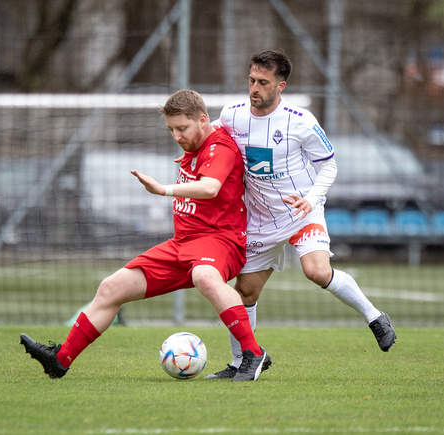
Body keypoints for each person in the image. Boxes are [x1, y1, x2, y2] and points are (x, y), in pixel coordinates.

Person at [20, 89, 271, 382]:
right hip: (181, 244)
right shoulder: (199, 142)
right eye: (171, 130)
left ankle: (253, 353)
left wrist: (163, 189)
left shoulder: (220, 147)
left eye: (182, 128)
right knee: (112, 287)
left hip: (219, 240)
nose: (176, 136)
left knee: (205, 276)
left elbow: (210, 188)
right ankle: (59, 360)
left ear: (203, 121)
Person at [205, 50, 396, 379]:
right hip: (260, 219)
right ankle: (243, 361)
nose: (254, 88)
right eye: (251, 80)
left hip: (301, 212)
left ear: (280, 86)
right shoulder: (232, 115)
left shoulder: (301, 121)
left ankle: (374, 316)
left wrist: (311, 198)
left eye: (263, 82)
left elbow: (329, 165)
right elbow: (212, 138)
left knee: (317, 272)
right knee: (245, 290)